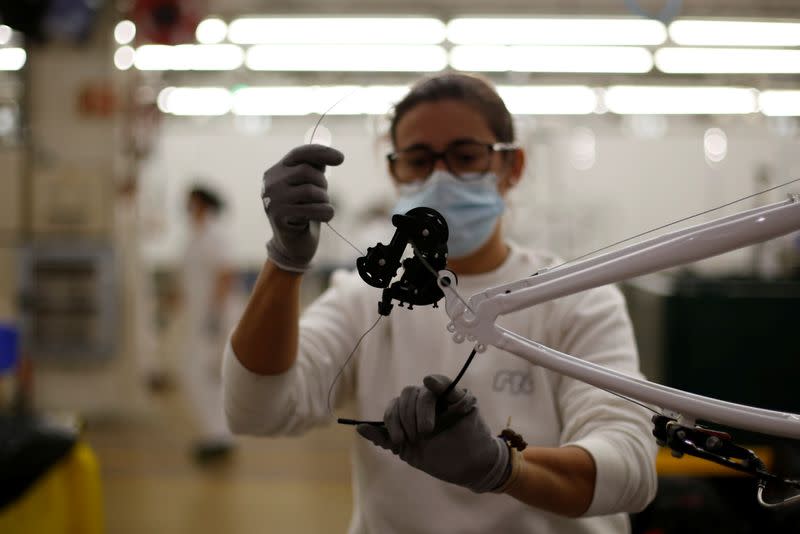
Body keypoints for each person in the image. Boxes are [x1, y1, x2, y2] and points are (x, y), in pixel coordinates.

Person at [223, 73, 658, 532]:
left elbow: (630, 467)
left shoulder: (576, 299)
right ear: (395, 172)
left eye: (466, 157)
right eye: (418, 160)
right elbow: (256, 410)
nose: (442, 177)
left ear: (512, 167)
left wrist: (503, 467)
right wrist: (285, 263)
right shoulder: (364, 299)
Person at [182, 185, 237, 464]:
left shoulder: (215, 234)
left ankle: (218, 436)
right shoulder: (197, 235)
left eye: (191, 203)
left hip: (212, 319)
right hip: (199, 318)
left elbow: (226, 274)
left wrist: (214, 316)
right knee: (203, 377)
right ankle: (216, 435)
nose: (187, 208)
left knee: (202, 376)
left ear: (203, 204)